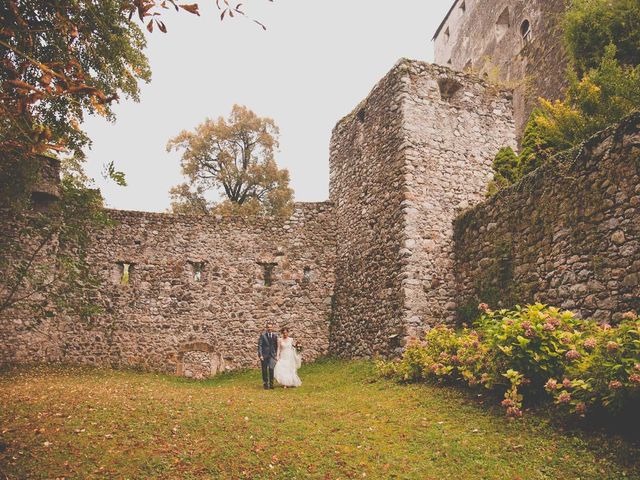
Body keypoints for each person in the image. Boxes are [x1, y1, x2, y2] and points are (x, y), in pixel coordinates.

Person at [258, 323, 278, 390]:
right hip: (264, 355)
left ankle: (271, 384)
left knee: (271, 369)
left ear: (272, 328)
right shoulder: (263, 335)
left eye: (270, 327)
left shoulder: (275, 336)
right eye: (268, 327)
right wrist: (260, 355)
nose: (269, 329)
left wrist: (275, 354)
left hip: (272, 355)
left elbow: (276, 346)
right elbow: (260, 346)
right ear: (266, 328)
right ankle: (265, 384)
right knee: (264, 370)